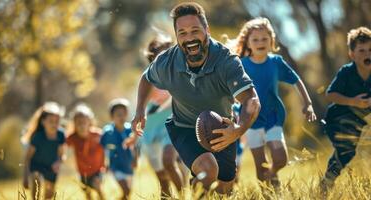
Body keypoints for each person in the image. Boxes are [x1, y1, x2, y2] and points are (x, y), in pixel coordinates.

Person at [132, 2, 261, 194]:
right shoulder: (166, 62)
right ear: (176, 36)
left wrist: (238, 129)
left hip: (221, 129)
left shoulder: (226, 61)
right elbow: (147, 78)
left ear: (206, 30)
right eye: (182, 33)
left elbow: (251, 100)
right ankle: (197, 189)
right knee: (208, 170)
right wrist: (140, 109)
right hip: (183, 128)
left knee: (224, 188)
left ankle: (199, 187)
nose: (189, 38)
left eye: (195, 31)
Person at [232, 17, 317, 188]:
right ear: (247, 43)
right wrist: (232, 110)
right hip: (250, 121)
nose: (260, 42)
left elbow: (296, 80)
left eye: (264, 38)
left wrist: (308, 104)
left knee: (280, 158)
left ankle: (271, 175)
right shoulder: (242, 65)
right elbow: (231, 90)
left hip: (273, 117)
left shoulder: (276, 62)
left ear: (271, 40)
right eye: (255, 39)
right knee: (260, 164)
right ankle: (272, 191)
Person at [321, 26, 371, 190]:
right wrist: (353, 101)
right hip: (337, 119)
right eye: (362, 50)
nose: (367, 54)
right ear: (352, 54)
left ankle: (326, 183)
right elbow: (330, 95)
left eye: (370, 49)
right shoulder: (347, 72)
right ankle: (326, 183)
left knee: (349, 152)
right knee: (346, 151)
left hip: (358, 121)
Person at [141, 37, 186, 196]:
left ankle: (182, 196)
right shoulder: (148, 78)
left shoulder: (179, 75)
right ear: (152, 58)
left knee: (169, 161)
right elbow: (141, 109)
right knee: (162, 179)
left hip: (171, 126)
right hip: (151, 130)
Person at [22, 102, 66, 200]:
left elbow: (61, 155)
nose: (54, 124)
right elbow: (27, 157)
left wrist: (58, 162)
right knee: (37, 178)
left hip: (51, 167)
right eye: (51, 121)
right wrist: (25, 177)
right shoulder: (38, 137)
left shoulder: (60, 135)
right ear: (43, 122)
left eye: (57, 121)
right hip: (36, 166)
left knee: (49, 196)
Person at [66, 103, 105, 200]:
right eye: (79, 123)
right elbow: (62, 145)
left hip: (97, 169)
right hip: (83, 171)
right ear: (74, 124)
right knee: (87, 193)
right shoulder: (72, 137)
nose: (82, 125)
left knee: (97, 187)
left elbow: (107, 145)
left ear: (90, 122)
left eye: (84, 122)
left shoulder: (97, 134)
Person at [101, 98, 137, 200]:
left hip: (128, 165)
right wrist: (104, 163)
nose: (121, 117)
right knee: (126, 190)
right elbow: (103, 148)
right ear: (112, 117)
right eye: (118, 114)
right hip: (115, 166)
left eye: (124, 114)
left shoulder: (130, 129)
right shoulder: (108, 132)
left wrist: (135, 159)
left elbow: (136, 146)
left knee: (127, 194)